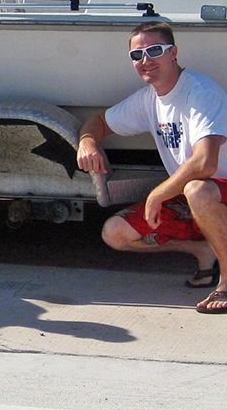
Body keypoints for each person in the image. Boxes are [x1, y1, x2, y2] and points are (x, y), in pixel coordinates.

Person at [76, 21, 227, 314]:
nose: (146, 60)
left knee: (196, 189)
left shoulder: (200, 92)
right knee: (115, 232)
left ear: (174, 52)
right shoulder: (149, 100)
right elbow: (100, 122)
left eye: (154, 50)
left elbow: (205, 163)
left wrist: (158, 195)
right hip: (198, 197)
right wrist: (87, 141)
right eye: (137, 55)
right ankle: (204, 250)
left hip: (216, 190)